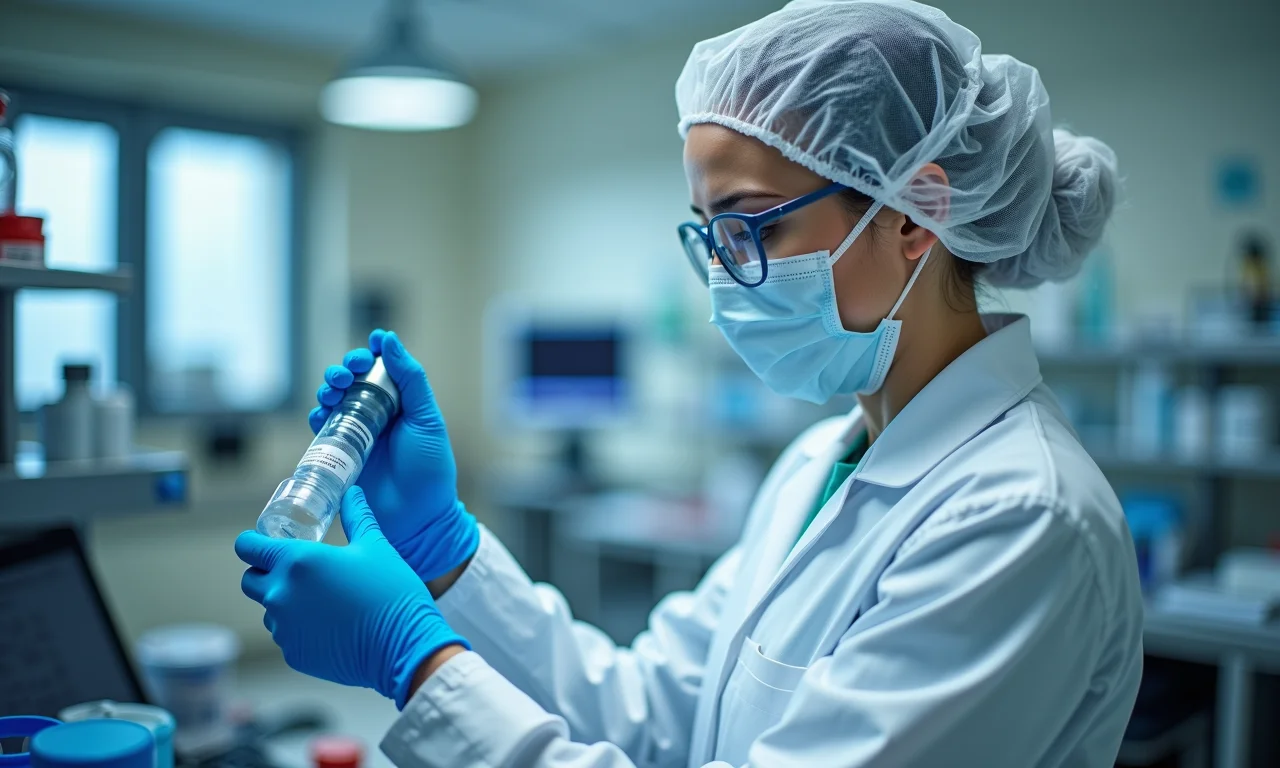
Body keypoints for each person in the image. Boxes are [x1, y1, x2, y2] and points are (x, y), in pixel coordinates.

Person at [235, 1, 1142, 765]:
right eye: (708, 234)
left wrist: (418, 664)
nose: (723, 278)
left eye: (753, 227)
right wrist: (447, 553)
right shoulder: (820, 463)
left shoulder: (1022, 517)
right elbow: (647, 712)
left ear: (916, 214)